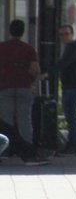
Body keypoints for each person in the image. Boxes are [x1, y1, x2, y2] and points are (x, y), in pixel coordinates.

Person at [0, 19, 48, 165]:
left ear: (9, 31)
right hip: (23, 87)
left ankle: (6, 150)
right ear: (23, 31)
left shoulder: (1, 47)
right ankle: (27, 151)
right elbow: (35, 69)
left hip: (4, 87)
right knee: (25, 121)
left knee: (6, 121)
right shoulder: (28, 49)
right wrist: (33, 80)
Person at [54, 24, 76, 156]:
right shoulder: (69, 48)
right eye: (61, 34)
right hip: (69, 87)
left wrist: (49, 72)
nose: (64, 37)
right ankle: (73, 144)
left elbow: (65, 63)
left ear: (72, 34)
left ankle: (74, 145)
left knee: (71, 117)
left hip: (74, 87)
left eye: (66, 34)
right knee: (70, 117)